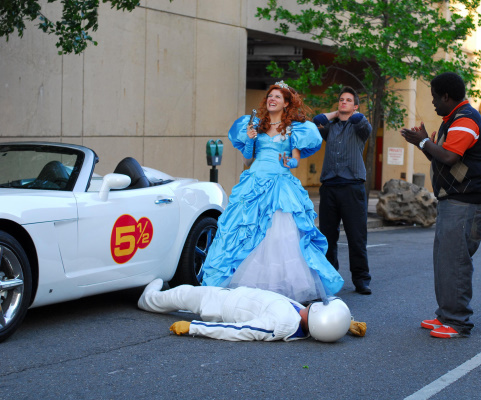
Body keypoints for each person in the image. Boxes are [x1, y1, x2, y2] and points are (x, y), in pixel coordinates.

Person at [201, 81, 344, 304]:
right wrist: (249, 139)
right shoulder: (256, 126)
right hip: (254, 182)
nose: (272, 99)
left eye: (277, 97)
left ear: (286, 103)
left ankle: (280, 288)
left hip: (280, 185)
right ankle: (244, 287)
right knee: (244, 231)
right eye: (270, 96)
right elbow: (248, 159)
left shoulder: (292, 130)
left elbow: (296, 160)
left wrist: (289, 161)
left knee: (279, 236)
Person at [400, 72, 481, 339]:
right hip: (454, 200)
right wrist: (423, 143)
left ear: (445, 96)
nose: (432, 103)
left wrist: (423, 141)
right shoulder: (452, 120)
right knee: (444, 260)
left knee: (455, 261)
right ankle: (445, 315)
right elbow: (442, 158)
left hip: (468, 202)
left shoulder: (465, 119)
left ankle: (457, 321)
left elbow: (451, 157)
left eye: (433, 97)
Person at [137, 279, 364, 342]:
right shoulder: (304, 323)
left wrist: (193, 327)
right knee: (185, 293)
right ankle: (154, 293)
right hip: (232, 296)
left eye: (315, 308)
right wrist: (345, 324)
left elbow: (236, 331)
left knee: (181, 295)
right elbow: (325, 323)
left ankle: (147, 298)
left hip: (219, 305)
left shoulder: (277, 326)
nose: (311, 305)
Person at [312, 87, 372, 295]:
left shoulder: (361, 126)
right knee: (328, 236)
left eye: (348, 100)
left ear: (355, 106)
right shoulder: (331, 127)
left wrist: (351, 113)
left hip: (352, 187)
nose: (343, 102)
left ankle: (361, 279)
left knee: (357, 237)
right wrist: (336, 114)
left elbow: (360, 120)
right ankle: (330, 278)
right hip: (329, 187)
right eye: (341, 100)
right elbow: (315, 120)